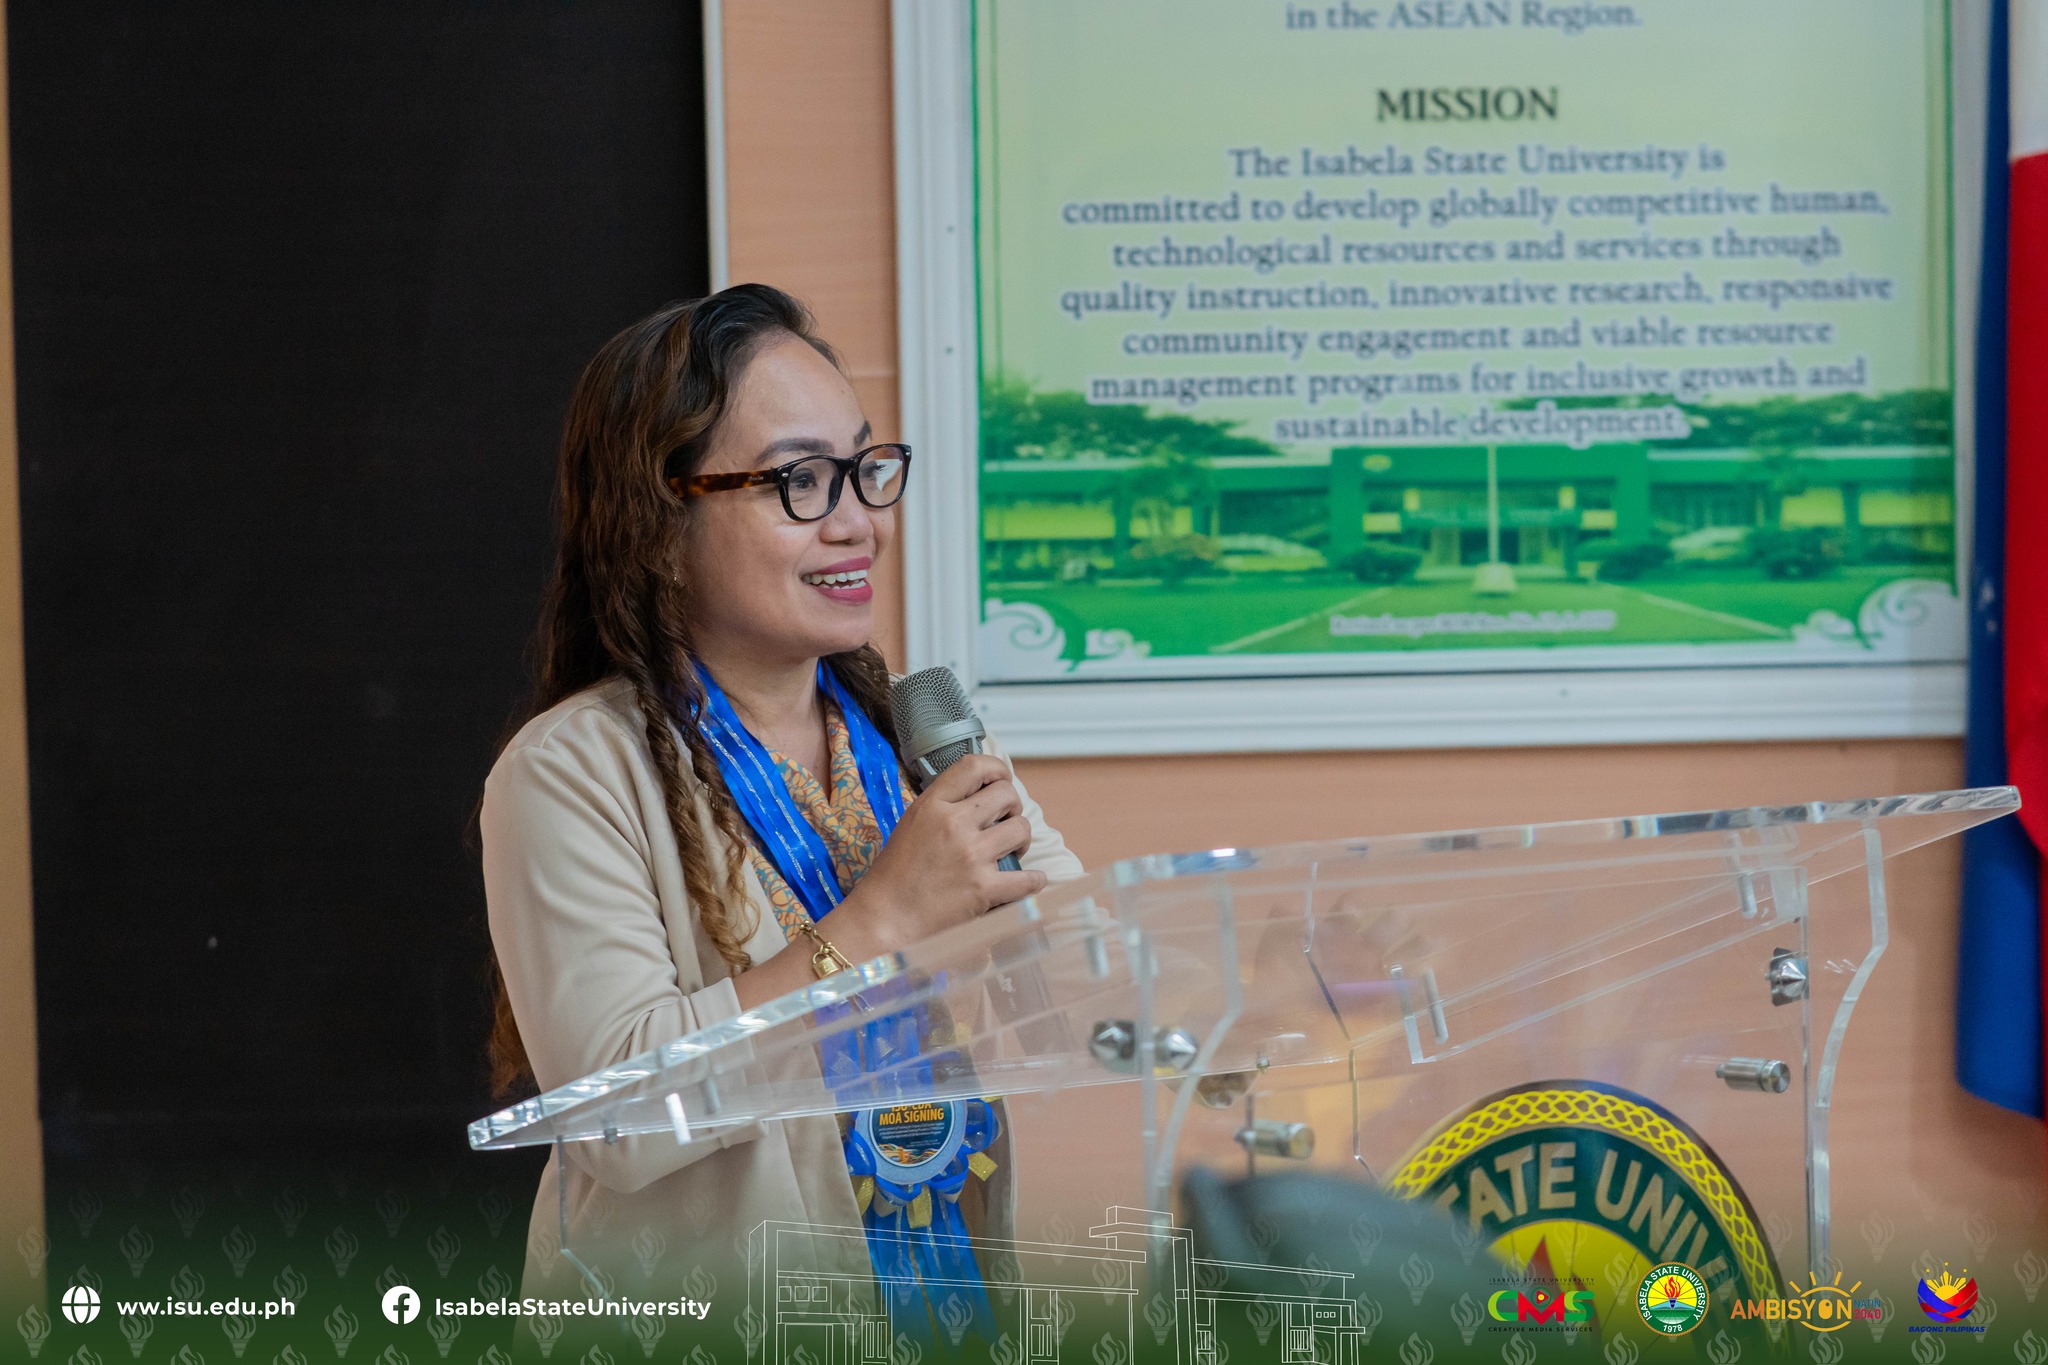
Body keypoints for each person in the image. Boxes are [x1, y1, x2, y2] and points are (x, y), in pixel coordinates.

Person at [479, 284, 1082, 1322]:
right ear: (659, 522)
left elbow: (1090, 972)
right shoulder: (572, 769)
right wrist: (879, 922)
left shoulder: (922, 737)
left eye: (865, 469)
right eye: (801, 479)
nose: (859, 523)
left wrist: (1270, 983)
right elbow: (619, 1121)